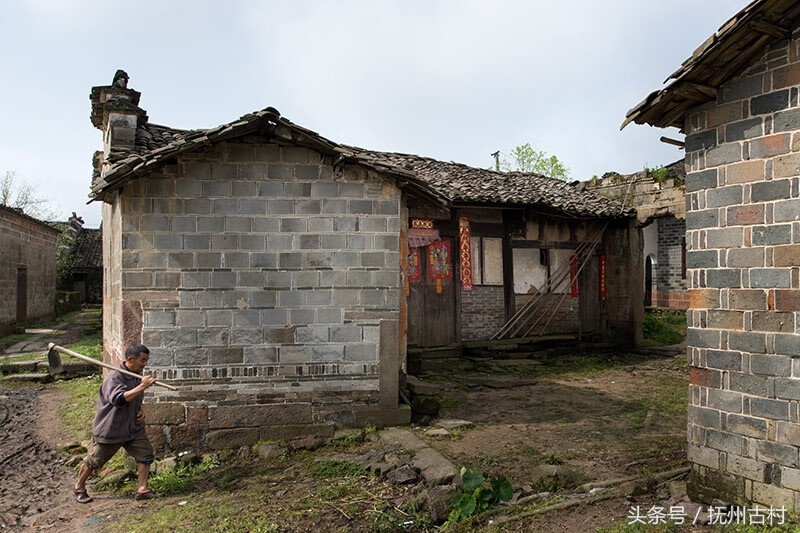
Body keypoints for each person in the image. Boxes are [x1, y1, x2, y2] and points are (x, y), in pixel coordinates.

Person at [73, 344, 158, 503]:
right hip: (113, 428)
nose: (145, 364)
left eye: (146, 360)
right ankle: (79, 486)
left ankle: (142, 489)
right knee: (96, 460)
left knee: (145, 454)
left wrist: (141, 410)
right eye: (142, 360)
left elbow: (136, 397)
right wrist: (142, 386)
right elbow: (118, 400)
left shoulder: (136, 374)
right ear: (130, 359)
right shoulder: (115, 377)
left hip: (133, 427)